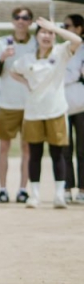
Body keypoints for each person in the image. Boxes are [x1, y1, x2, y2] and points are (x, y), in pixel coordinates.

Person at [10, 17, 82, 209]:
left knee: (58, 154)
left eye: (50, 33)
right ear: (37, 36)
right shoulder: (27, 59)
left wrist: (55, 28)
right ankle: (34, 195)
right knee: (35, 154)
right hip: (33, 112)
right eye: (43, 32)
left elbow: (77, 40)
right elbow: (13, 71)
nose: (47, 36)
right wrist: (25, 82)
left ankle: (59, 195)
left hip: (56, 111)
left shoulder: (61, 52)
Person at [0, 8, 36, 204]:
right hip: (7, 103)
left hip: (30, 103)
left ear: (31, 22)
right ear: (12, 21)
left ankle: (23, 190)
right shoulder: (2, 42)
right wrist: (2, 57)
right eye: (17, 17)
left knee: (27, 148)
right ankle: (2, 189)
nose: (21, 21)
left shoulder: (36, 43)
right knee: (3, 147)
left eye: (25, 18)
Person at [61, 14, 84, 202]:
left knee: (82, 149)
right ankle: (67, 187)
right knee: (65, 149)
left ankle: (83, 189)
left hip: (81, 103)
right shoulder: (60, 48)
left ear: (78, 28)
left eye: (67, 26)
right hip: (62, 103)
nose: (64, 29)